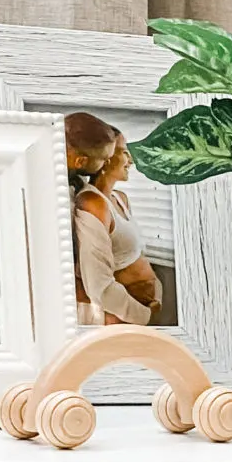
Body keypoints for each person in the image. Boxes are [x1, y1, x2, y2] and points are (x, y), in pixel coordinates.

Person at [65, 113, 165, 327]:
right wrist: (145, 315)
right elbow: (99, 284)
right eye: (125, 153)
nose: (131, 160)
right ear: (107, 159)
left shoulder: (120, 199)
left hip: (146, 307)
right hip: (126, 317)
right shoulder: (93, 203)